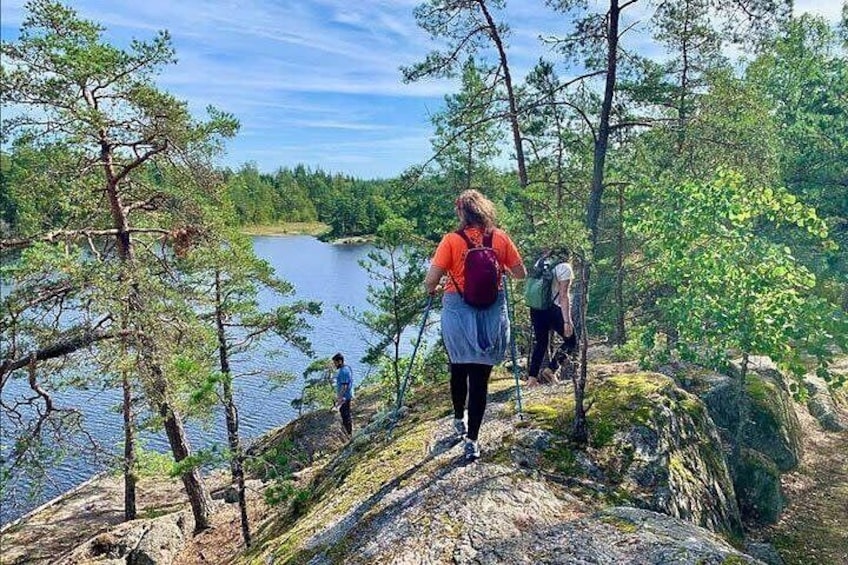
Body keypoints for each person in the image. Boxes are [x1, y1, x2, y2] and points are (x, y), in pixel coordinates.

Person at [424, 189, 526, 461]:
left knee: (458, 368)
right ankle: (472, 440)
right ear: (485, 211)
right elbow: (520, 274)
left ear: (461, 213)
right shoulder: (500, 237)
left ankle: (459, 418)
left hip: (458, 310)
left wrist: (437, 285)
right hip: (492, 311)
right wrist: (497, 267)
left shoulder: (451, 240)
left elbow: (430, 282)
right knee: (480, 379)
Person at [527, 249, 576, 387]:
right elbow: (563, 296)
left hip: (536, 307)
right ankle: (551, 369)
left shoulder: (541, 262)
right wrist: (567, 321)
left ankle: (532, 378)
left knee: (541, 343)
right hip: (553, 308)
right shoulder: (565, 268)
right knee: (571, 341)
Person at [332, 353, 354, 436]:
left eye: (335, 363)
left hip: (345, 396)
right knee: (345, 412)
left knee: (345, 414)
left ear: (340, 361)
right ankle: (349, 432)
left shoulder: (343, 371)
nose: (335, 365)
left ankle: (349, 433)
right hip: (347, 395)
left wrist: (339, 398)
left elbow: (344, 386)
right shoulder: (347, 368)